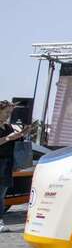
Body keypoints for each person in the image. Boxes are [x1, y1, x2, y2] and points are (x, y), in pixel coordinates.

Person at [0, 100, 27, 233]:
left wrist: (21, 135)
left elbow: (14, 146)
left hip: (7, 164)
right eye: (6, 112)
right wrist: (8, 138)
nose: (8, 115)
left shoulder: (8, 127)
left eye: (10, 113)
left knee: (1, 195)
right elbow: (6, 140)